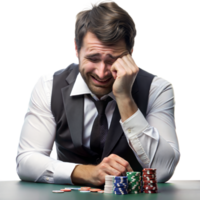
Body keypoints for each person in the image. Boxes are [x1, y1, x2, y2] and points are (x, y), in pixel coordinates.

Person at [14, 0, 181, 187]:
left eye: (114, 59)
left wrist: (125, 98)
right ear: (75, 48)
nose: (102, 73)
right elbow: (25, 161)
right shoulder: (47, 86)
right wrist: (85, 172)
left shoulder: (157, 89)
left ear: (131, 54)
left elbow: (164, 169)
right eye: (93, 58)